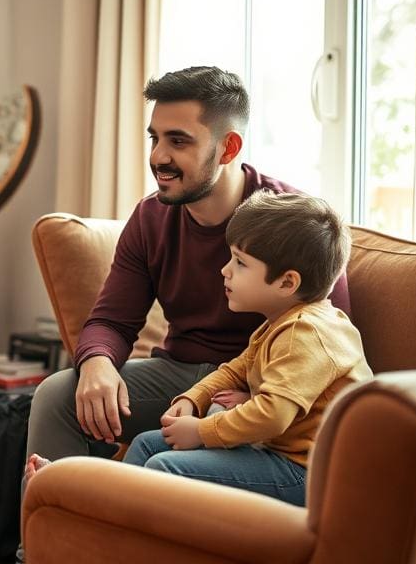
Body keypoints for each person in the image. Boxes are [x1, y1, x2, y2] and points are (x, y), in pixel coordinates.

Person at [0, 65, 351, 564]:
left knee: (154, 454)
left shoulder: (288, 221)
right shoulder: (152, 216)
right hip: (181, 375)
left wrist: (252, 393)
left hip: (260, 393)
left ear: (229, 146)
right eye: (154, 137)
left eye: (178, 140)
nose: (159, 156)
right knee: (57, 394)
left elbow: (329, 325)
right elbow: (111, 318)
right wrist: (97, 361)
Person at [120, 190, 372, 502]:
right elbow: (235, 370)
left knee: (164, 466)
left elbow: (272, 415)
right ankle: (102, 519)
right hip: (280, 455)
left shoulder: (306, 332)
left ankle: (120, 539)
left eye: (240, 262)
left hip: (309, 473)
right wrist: (194, 398)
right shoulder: (280, 322)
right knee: (147, 444)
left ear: (286, 283)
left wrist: (202, 430)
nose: (225, 270)